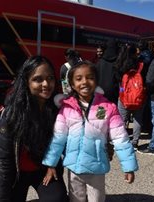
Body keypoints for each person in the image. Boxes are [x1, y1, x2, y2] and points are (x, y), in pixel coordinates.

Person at [42, 60, 138, 202]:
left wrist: (128, 166)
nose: (85, 82)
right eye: (79, 78)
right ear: (72, 84)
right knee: (75, 199)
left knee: (97, 199)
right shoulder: (66, 108)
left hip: (97, 167)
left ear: (96, 81)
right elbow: (58, 138)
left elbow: (120, 138)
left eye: (90, 77)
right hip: (74, 167)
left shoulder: (107, 107)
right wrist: (51, 164)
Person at [0, 56, 68, 202]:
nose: (46, 84)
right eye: (38, 79)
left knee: (58, 199)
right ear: (26, 82)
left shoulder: (59, 109)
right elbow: (5, 162)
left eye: (50, 78)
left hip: (45, 169)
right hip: (16, 173)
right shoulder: (13, 113)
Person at [115, 44, 145, 150]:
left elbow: (118, 80)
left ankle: (122, 141)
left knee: (122, 119)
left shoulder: (120, 64)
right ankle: (135, 142)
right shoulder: (140, 64)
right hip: (138, 96)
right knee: (137, 120)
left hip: (123, 96)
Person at [95, 39, 120, 104]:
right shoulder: (117, 63)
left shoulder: (100, 62)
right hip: (113, 95)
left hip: (100, 93)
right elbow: (118, 79)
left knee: (102, 112)